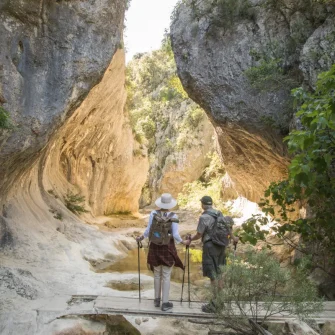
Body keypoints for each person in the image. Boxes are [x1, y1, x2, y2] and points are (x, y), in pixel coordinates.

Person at [136, 193, 189, 312]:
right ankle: (165, 303)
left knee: (157, 274)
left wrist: (141, 238)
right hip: (167, 247)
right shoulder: (173, 216)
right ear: (170, 204)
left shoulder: (153, 214)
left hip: (154, 246)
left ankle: (156, 300)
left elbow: (149, 230)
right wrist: (183, 242)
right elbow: (175, 235)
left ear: (160, 203)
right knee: (166, 275)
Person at [185, 195, 239, 312]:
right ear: (211, 203)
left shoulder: (204, 217)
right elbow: (228, 228)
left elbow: (199, 234)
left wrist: (190, 240)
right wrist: (234, 238)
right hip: (221, 246)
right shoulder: (219, 213)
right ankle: (220, 302)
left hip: (210, 246)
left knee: (213, 275)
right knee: (220, 273)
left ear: (203, 204)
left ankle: (214, 305)